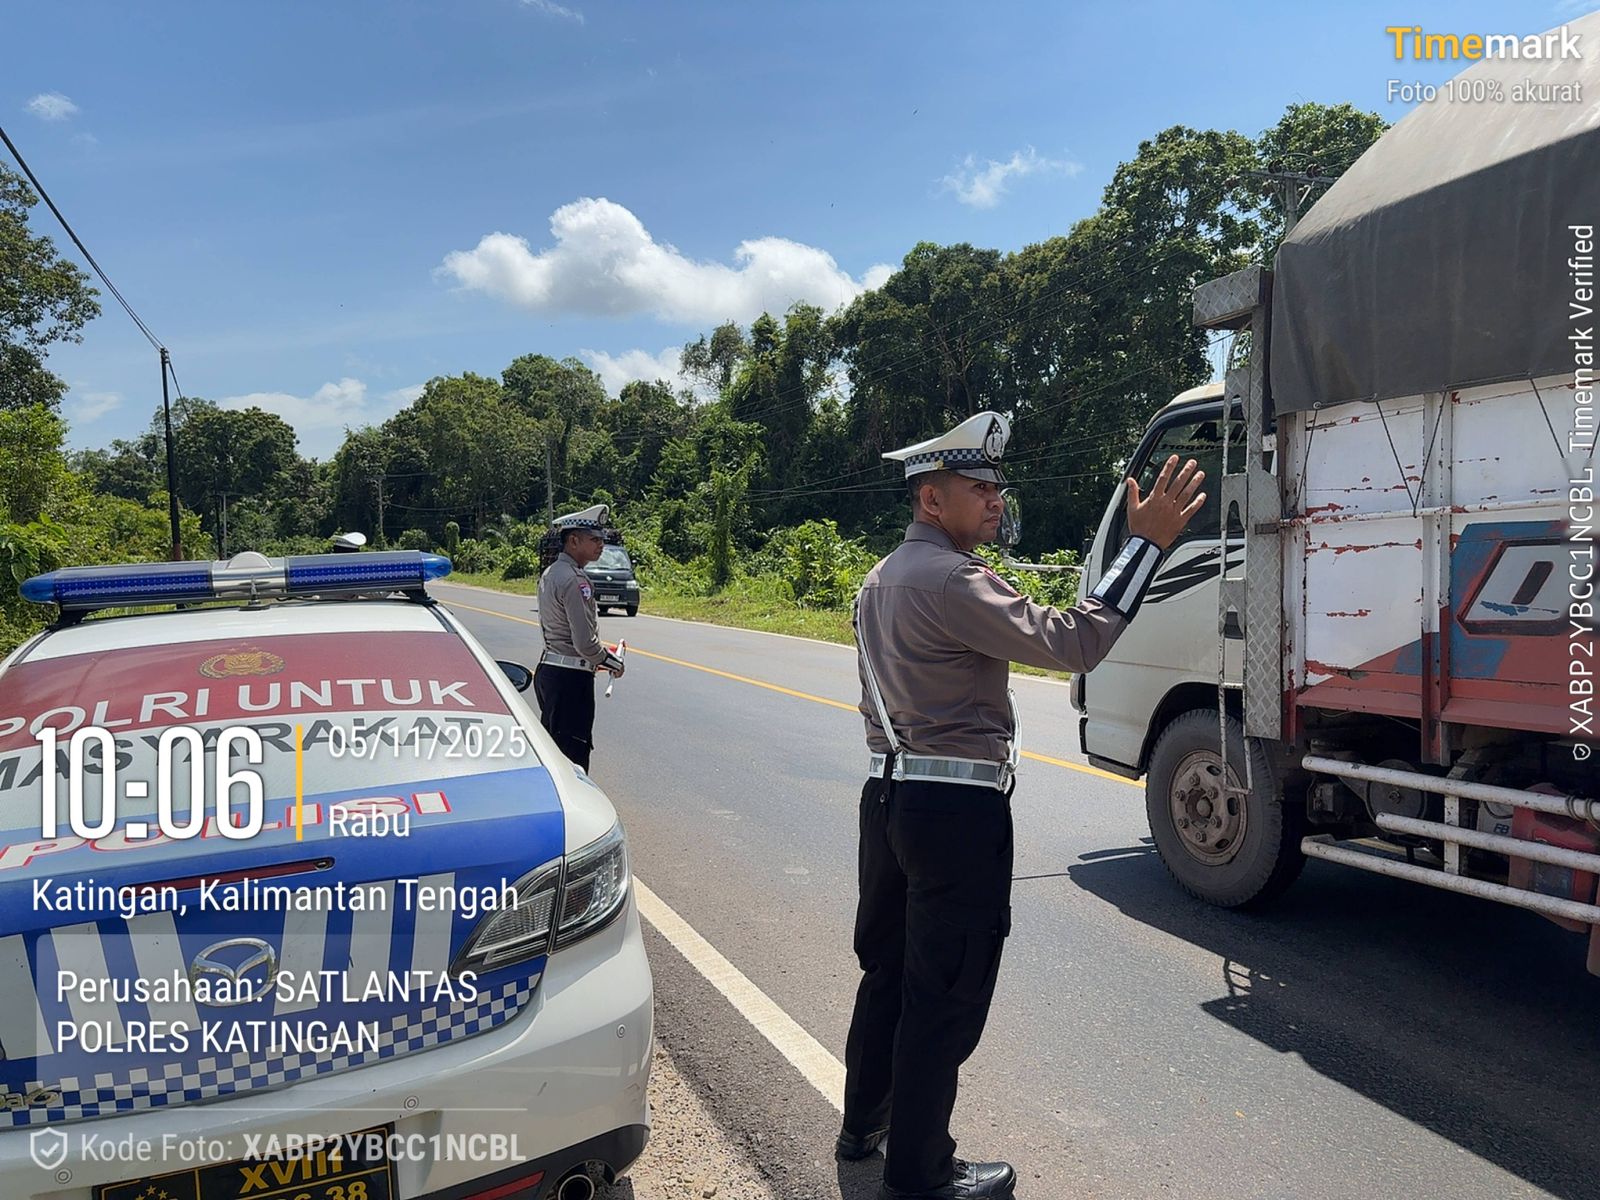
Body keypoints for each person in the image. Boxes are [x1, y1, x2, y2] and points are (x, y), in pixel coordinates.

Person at [840, 411, 1205, 1200]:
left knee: (889, 972)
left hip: (889, 796)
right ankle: (920, 1176)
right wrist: (1145, 546)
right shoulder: (952, 578)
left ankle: (862, 1125)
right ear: (932, 500)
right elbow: (1075, 641)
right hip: (953, 813)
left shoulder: (879, 579)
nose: (995, 499)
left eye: (997, 486)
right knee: (945, 993)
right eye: (979, 487)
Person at [534, 504, 625, 771]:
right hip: (570, 680)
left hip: (550, 671)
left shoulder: (550, 573)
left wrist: (597, 654)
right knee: (573, 760)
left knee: (554, 753)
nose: (601, 545)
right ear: (574, 541)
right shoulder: (576, 580)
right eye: (594, 539)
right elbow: (584, 644)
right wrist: (613, 662)